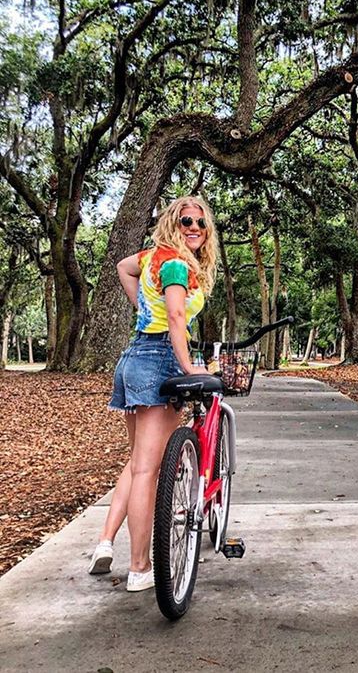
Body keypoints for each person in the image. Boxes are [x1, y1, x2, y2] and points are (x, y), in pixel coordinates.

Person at [88, 196, 218, 592]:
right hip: (159, 357)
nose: (193, 227)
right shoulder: (176, 263)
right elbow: (177, 317)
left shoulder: (151, 257)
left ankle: (105, 542)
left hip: (134, 356)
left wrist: (145, 306)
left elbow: (122, 268)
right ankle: (141, 567)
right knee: (147, 470)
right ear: (172, 225)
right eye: (185, 222)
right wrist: (189, 365)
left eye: (200, 222)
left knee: (137, 464)